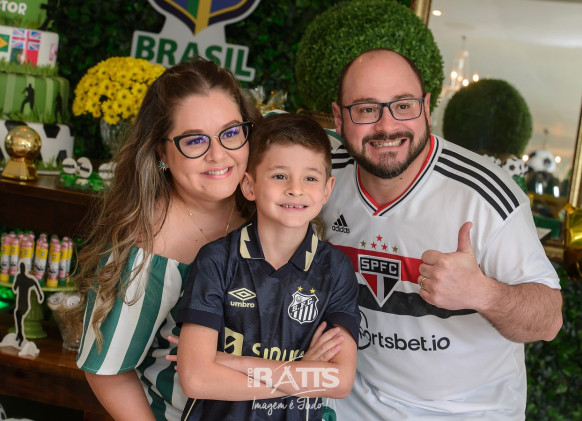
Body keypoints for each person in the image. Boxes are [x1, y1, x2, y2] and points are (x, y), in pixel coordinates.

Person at [320, 48, 563, 420]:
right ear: (339, 118)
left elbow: (548, 321)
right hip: (352, 403)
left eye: (403, 106)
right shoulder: (319, 177)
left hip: (466, 412)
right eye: (367, 109)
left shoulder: (483, 194)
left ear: (426, 108)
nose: (386, 126)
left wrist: (482, 293)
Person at [73, 58, 263, 421]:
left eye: (230, 132)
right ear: (162, 152)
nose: (218, 154)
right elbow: (107, 369)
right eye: (195, 140)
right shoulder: (148, 246)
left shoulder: (267, 206)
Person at [176, 113, 360, 420]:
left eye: (310, 178)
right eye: (279, 176)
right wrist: (300, 374)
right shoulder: (217, 260)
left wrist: (233, 363)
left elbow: (339, 381)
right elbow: (196, 379)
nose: (295, 189)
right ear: (249, 185)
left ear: (327, 190)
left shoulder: (336, 269)